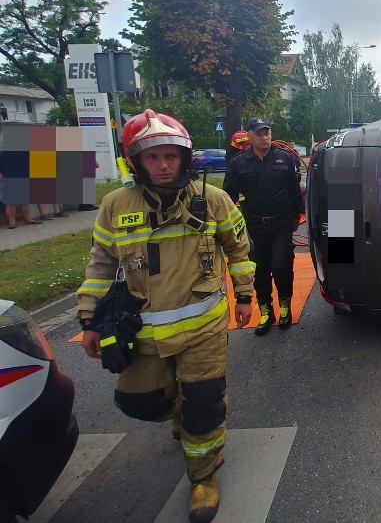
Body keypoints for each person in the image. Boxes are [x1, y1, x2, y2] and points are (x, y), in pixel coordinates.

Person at [75, 109, 255, 523]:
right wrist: (88, 320)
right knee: (141, 401)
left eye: (170, 156)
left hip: (203, 330)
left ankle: (204, 476)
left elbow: (239, 251)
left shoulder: (212, 200)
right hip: (143, 334)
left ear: (184, 157)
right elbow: (100, 265)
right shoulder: (116, 206)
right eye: (152, 157)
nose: (162, 165)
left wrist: (245, 295)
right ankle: (178, 414)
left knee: (204, 405)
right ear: (135, 162)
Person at [224, 117, 303, 336]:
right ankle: (266, 310)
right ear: (248, 136)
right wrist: (230, 227)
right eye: (259, 133)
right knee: (259, 270)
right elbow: (227, 197)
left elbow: (294, 191)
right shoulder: (239, 163)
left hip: (281, 223)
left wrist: (296, 216)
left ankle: (285, 305)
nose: (264, 137)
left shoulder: (284, 159)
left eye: (267, 132)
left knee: (281, 266)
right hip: (254, 225)